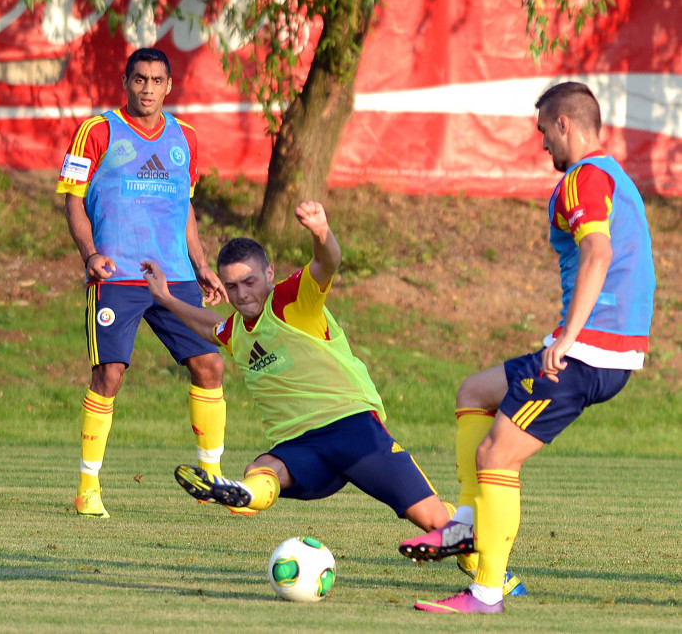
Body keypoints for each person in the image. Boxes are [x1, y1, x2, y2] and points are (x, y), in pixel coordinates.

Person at [142, 200, 524, 594]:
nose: (241, 294)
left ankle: (488, 570)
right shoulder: (238, 329)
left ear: (269, 274)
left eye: (250, 282)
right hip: (301, 447)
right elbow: (212, 328)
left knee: (432, 521)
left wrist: (321, 231)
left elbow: (327, 263)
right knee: (265, 466)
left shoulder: (290, 300)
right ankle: (241, 493)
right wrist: (167, 299)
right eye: (233, 286)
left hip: (353, 430)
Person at [401, 82, 655, 613]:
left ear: (565, 124)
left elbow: (598, 254)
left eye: (543, 132)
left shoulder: (583, 178)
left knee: (496, 456)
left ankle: (486, 592)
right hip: (605, 349)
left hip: (586, 354)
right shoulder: (615, 175)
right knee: (475, 391)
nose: (541, 145)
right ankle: (466, 526)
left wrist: (567, 339)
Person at [55, 48, 228, 518]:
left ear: (169, 85)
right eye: (139, 79)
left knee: (210, 365)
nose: (147, 88)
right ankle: (88, 488)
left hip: (174, 275)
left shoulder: (186, 138)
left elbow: (184, 206)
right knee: (109, 374)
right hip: (117, 275)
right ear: (125, 82)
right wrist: (90, 255)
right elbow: (72, 200)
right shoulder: (97, 131)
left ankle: (212, 479)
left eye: (156, 80)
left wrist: (202, 264)